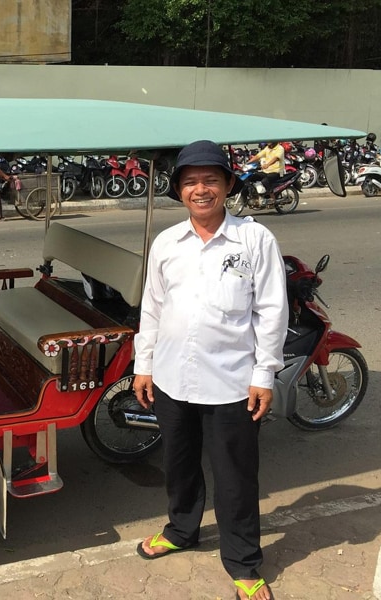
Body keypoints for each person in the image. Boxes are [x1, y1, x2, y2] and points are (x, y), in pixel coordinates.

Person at [132, 140, 288, 600]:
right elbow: (153, 310)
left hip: (232, 384)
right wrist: (144, 366)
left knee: (236, 476)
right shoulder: (167, 243)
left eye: (211, 180)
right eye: (191, 181)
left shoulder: (255, 239)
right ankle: (181, 530)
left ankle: (243, 562)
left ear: (227, 186)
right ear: (179, 189)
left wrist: (264, 374)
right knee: (178, 466)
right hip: (172, 377)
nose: (201, 189)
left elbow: (271, 311)